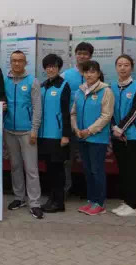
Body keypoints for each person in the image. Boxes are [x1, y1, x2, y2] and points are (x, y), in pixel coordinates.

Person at [71, 60, 114, 216]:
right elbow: (73, 113)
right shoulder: (80, 91)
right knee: (88, 170)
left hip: (97, 138)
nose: (89, 75)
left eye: (92, 72)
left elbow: (106, 116)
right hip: (82, 137)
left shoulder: (106, 91)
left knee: (97, 170)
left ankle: (99, 203)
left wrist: (89, 131)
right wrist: (76, 129)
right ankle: (91, 200)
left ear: (98, 73)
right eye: (86, 72)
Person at [3, 51, 43, 219]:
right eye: (14, 60)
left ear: (25, 63)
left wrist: (34, 129)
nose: (17, 63)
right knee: (15, 166)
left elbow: (37, 108)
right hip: (9, 130)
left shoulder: (32, 81)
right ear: (10, 62)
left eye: (20, 61)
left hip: (27, 132)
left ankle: (34, 203)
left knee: (31, 168)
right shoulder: (5, 80)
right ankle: (19, 198)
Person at [110, 54, 136, 217]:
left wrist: (121, 128)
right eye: (119, 65)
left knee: (132, 170)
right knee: (123, 170)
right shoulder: (112, 87)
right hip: (117, 135)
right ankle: (126, 201)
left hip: (134, 136)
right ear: (116, 67)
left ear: (131, 67)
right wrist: (114, 128)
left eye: (126, 65)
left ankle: (133, 205)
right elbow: (109, 110)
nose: (123, 68)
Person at [38, 54, 72, 214]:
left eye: (54, 66)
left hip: (58, 136)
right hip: (44, 135)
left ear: (59, 68)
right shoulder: (43, 86)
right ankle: (51, 199)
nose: (51, 69)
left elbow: (66, 112)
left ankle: (59, 202)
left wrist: (66, 135)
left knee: (58, 170)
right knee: (49, 170)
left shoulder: (64, 85)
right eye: (48, 67)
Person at [61, 41, 94, 196]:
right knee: (67, 160)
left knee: (90, 161)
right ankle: (65, 190)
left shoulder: (95, 75)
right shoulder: (66, 75)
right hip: (70, 125)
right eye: (79, 53)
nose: (82, 56)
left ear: (90, 56)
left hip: (90, 126)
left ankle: (92, 194)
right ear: (75, 55)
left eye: (85, 54)